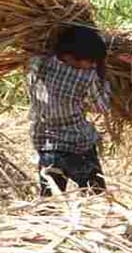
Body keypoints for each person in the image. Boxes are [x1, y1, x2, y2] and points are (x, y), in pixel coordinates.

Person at [28, 24, 112, 196]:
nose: (93, 64)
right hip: (78, 146)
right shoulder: (87, 76)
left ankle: (45, 221)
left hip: (46, 146)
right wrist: (107, 84)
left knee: (50, 200)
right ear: (73, 57)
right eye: (91, 60)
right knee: (97, 196)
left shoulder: (37, 63)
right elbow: (101, 107)